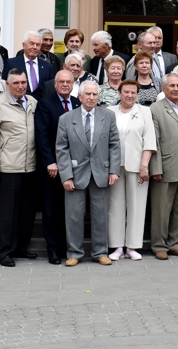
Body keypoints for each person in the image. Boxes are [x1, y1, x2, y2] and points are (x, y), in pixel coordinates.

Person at [56, 80, 122, 267]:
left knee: (100, 215)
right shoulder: (66, 119)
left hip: (101, 172)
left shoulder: (108, 116)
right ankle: (74, 252)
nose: (92, 97)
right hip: (75, 175)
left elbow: (114, 145)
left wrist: (114, 171)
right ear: (80, 96)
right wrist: (66, 175)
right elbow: (61, 149)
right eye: (88, 94)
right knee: (74, 215)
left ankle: (100, 252)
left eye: (95, 94)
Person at [0, 69, 38, 268]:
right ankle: (4, 252)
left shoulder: (33, 102)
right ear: (7, 84)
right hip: (7, 167)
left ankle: (20, 248)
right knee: (6, 215)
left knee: (25, 213)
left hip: (30, 167)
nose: (21, 86)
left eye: (24, 82)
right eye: (16, 83)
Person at [107, 80, 156, 261]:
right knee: (115, 206)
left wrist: (144, 165)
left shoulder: (145, 112)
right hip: (115, 167)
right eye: (126, 92)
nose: (129, 95)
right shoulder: (110, 112)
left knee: (137, 206)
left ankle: (133, 246)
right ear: (119, 93)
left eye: (133, 92)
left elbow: (149, 140)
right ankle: (117, 246)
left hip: (137, 167)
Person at [149, 73, 178, 260]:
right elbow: (155, 141)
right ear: (163, 88)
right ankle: (159, 245)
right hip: (166, 167)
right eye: (172, 86)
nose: (176, 89)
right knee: (161, 210)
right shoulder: (155, 108)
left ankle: (175, 243)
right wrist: (156, 168)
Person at [33, 70, 77, 265]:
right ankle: (52, 248)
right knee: (51, 209)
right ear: (55, 84)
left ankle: (66, 246)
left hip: (75, 167)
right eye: (62, 82)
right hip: (52, 168)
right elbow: (41, 136)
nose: (65, 85)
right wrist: (50, 161)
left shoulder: (77, 103)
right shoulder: (45, 104)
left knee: (69, 209)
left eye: (69, 82)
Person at [5, 31, 55, 101]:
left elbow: (50, 90)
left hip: (41, 107)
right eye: (31, 44)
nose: (35, 47)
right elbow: (5, 87)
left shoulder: (48, 67)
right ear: (23, 45)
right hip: (17, 104)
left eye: (38, 45)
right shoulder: (11, 63)